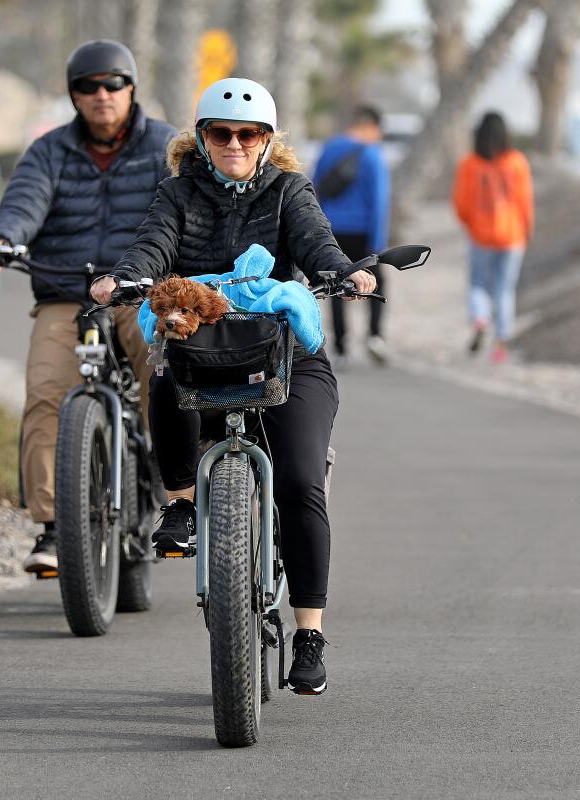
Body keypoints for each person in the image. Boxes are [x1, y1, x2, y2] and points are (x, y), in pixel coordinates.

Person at [90, 78, 377, 695]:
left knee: (300, 483)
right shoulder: (177, 192)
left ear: (268, 141)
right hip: (207, 353)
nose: (236, 143)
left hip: (286, 357)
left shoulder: (288, 191)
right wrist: (127, 279)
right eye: (222, 133)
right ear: (202, 138)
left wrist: (341, 274)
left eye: (249, 134)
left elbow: (316, 245)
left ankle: (308, 633)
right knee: (163, 373)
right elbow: (152, 247)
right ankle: (181, 503)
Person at [0, 40, 174, 574]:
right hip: (68, 295)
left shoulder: (165, 146)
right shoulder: (48, 151)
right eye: (88, 86)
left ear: (132, 88)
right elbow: (24, 201)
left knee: (165, 375)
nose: (102, 95)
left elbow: (183, 210)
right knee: (44, 394)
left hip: (138, 291)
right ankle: (53, 528)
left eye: (113, 83)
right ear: (73, 96)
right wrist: (2, 237)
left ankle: (169, 475)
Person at [451, 111, 534, 364]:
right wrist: (527, 230)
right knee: (504, 289)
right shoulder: (517, 162)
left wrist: (472, 225)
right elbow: (525, 202)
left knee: (478, 284)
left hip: (482, 235)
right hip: (512, 237)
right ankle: (500, 345)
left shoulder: (470, 164)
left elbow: (461, 203)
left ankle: (480, 317)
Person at [312, 105, 391, 368]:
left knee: (335, 287)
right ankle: (375, 336)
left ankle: (342, 347)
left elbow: (314, 191)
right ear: (370, 125)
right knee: (377, 283)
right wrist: (378, 241)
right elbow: (379, 202)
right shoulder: (372, 155)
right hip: (363, 233)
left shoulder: (329, 148)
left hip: (332, 231)